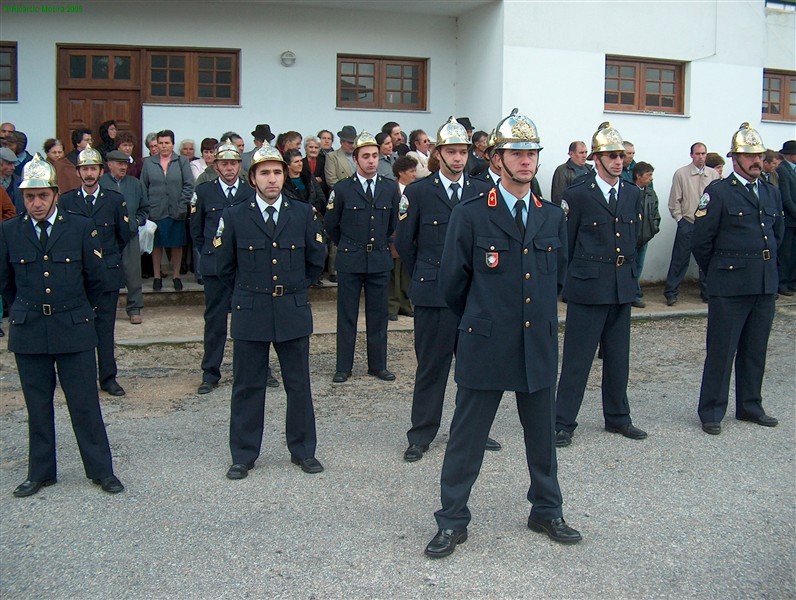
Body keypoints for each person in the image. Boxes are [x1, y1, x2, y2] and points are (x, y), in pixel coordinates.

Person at [424, 109, 579, 559]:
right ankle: (452, 520)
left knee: (541, 437)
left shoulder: (551, 216)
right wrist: (484, 316)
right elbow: (452, 283)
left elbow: (559, 278)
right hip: (486, 341)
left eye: (532, 153)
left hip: (537, 344)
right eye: (516, 153)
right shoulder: (472, 214)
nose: (526, 161)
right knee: (467, 437)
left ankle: (546, 510)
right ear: (496, 159)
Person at [0, 154, 124, 497]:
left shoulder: (80, 227)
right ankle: (41, 473)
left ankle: (101, 471)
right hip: (30, 331)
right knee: (37, 406)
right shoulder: (9, 231)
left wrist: (73, 309)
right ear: (22, 198)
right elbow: (6, 283)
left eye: (42, 195)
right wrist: (27, 309)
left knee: (84, 404)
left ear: (55, 194)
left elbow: (95, 280)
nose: (36, 203)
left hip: (74, 327)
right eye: (29, 197)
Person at [216, 141, 327, 478]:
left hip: (292, 307)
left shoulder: (303, 212)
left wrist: (290, 289)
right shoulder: (234, 215)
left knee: (299, 384)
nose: (272, 179)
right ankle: (244, 455)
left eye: (277, 172)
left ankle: (303, 450)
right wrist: (252, 292)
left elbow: (316, 261)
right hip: (251, 308)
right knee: (248, 385)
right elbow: (224, 266)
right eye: (264, 173)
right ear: (253, 178)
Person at [395, 117, 502, 463]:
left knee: (475, 368)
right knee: (432, 366)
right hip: (434, 294)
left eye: (463, 152)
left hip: (475, 295)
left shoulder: (482, 191)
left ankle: (472, 430)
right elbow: (405, 244)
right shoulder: (418, 192)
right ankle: (421, 433)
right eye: (451, 152)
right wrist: (429, 278)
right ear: (437, 153)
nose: (458, 158)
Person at [555, 122, 647, 448]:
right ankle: (562, 422)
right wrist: (566, 285)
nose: (618, 161)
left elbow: (633, 238)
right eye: (611, 155)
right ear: (596, 158)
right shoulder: (578, 194)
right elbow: (565, 243)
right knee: (578, 360)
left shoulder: (633, 193)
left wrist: (631, 277)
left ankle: (618, 418)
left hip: (621, 286)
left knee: (618, 358)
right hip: (588, 287)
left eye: (621, 155)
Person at [692, 123, 783, 435]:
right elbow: (701, 241)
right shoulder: (718, 193)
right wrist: (719, 272)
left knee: (755, 348)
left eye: (758, 155)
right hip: (729, 285)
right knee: (722, 349)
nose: (756, 160)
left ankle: (750, 405)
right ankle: (712, 410)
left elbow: (777, 235)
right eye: (749, 156)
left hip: (763, 282)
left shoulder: (771, 191)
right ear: (734, 159)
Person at [325, 131, 399, 383]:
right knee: (347, 315)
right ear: (355, 160)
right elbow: (332, 225)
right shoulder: (343, 189)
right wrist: (348, 246)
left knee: (378, 316)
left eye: (375, 156)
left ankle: (377, 365)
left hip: (378, 259)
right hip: (351, 259)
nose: (371, 161)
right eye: (365, 156)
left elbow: (392, 224)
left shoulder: (389, 188)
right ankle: (343, 367)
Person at [58, 145, 130, 397]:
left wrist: (105, 261)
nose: (89, 174)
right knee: (79, 328)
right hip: (76, 276)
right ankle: (82, 378)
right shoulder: (67, 201)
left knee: (104, 328)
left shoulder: (114, 199)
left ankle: (108, 378)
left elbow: (123, 236)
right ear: (78, 172)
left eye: (93, 169)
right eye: (84, 169)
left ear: (101, 171)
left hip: (106, 275)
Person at [190, 139, 254, 395]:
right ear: (215, 166)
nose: (229, 168)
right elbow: (196, 230)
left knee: (249, 320)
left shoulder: (250, 192)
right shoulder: (204, 192)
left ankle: (252, 370)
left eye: (233, 163)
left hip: (244, 267)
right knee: (215, 320)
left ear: (240, 165)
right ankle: (210, 372)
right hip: (215, 266)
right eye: (224, 163)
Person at [663, 142, 719, 305]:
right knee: (680, 259)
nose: (701, 157)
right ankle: (671, 292)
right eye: (697, 154)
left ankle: (707, 292)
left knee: (707, 259)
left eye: (703, 154)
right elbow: (675, 200)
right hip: (688, 221)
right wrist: (680, 219)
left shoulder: (713, 174)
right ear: (691, 155)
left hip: (707, 224)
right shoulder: (681, 174)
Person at [140, 129, 194, 291]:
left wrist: (182, 204)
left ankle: (176, 276)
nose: (163, 146)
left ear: (172, 144)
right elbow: (143, 186)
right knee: (157, 245)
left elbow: (189, 184)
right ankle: (157, 276)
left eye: (167, 143)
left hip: (176, 209)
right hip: (156, 210)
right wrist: (147, 207)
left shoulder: (182, 161)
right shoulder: (149, 162)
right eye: (160, 143)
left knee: (176, 245)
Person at [100, 150, 150, 325]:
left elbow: (145, 209)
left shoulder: (135, 184)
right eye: (119, 163)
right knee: (105, 272)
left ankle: (134, 308)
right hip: (106, 237)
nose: (123, 167)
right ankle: (105, 308)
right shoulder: (101, 183)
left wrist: (136, 222)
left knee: (133, 272)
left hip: (129, 234)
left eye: (125, 164)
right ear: (109, 164)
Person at [323, 126, 358, 283]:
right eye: (349, 142)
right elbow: (331, 179)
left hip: (359, 198)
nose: (352, 145)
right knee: (337, 232)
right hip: (341, 198)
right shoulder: (332, 157)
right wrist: (348, 191)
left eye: (353, 142)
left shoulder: (359, 156)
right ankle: (334, 269)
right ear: (342, 142)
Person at [632, 161, 661, 308]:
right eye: (648, 175)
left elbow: (655, 213)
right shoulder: (629, 192)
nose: (651, 178)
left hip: (645, 237)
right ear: (638, 175)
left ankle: (635, 293)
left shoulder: (650, 193)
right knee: (631, 268)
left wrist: (653, 229)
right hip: (631, 238)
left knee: (638, 267)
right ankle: (633, 294)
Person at [776, 140, 796, 296]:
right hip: (789, 220)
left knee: (794, 253)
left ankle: (791, 281)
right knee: (785, 253)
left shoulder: (793, 170)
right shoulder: (782, 171)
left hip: (794, 220)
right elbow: (787, 199)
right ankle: (782, 282)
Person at [550, 141, 593, 206]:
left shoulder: (591, 169)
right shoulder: (562, 171)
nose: (584, 156)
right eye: (581, 153)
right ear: (571, 154)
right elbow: (558, 198)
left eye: (586, 152)